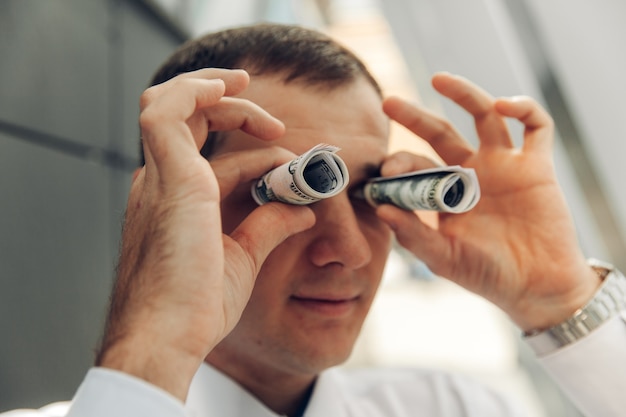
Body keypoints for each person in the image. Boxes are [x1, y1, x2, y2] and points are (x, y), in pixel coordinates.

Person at [6, 23, 626, 417]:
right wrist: (153, 346)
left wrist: (559, 298)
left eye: (370, 193)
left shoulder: (453, 407)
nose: (349, 250)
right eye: (284, 192)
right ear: (167, 209)